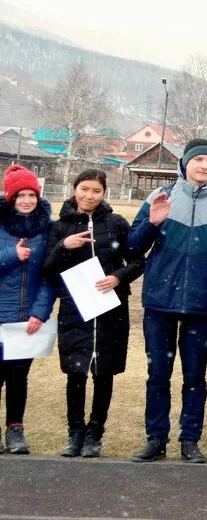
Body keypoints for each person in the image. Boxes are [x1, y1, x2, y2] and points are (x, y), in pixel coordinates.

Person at [128, 138, 207, 464]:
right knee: (158, 375)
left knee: (195, 377)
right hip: (160, 302)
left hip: (201, 307)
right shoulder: (160, 197)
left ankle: (190, 440)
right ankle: (156, 439)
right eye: (198, 159)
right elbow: (133, 244)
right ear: (185, 163)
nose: (204, 165)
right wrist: (153, 222)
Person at [45, 169, 143, 458]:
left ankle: (95, 433)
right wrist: (65, 245)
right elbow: (48, 269)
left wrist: (118, 277)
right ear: (75, 189)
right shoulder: (60, 226)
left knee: (104, 372)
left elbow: (138, 260)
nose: (89, 196)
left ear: (104, 193)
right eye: (84, 189)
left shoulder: (115, 224)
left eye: (96, 191)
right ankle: (75, 433)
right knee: (76, 371)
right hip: (75, 308)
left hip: (111, 307)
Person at [0, 165, 55, 455]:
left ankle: (15, 431)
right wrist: (12, 255)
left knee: (18, 377)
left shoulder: (46, 228)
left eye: (30, 194)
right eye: (19, 195)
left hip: (27, 320)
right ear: (10, 197)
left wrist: (40, 312)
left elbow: (50, 275)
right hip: (0, 316)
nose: (25, 200)